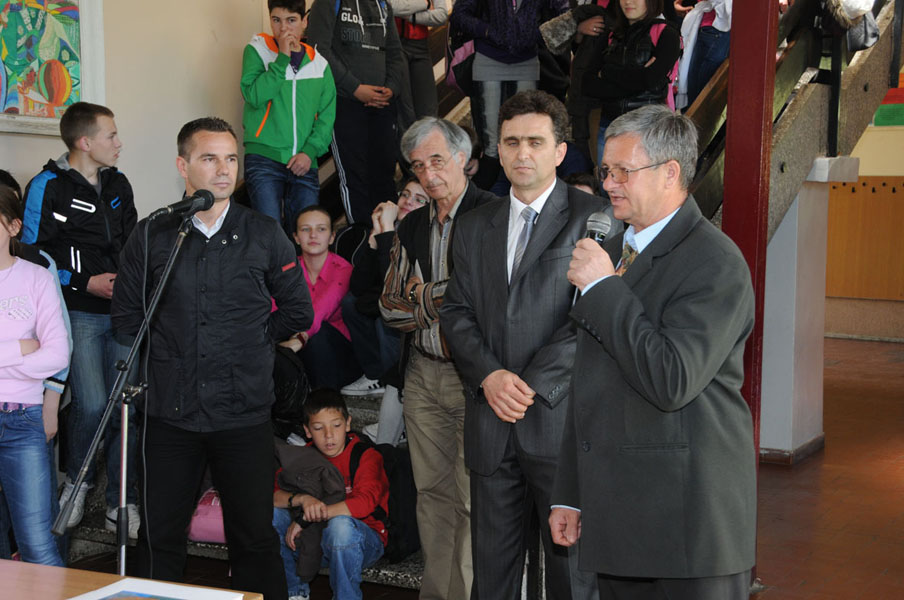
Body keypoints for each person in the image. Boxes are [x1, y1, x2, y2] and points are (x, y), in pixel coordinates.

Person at [549, 105, 757, 599]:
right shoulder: (614, 252)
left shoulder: (715, 261)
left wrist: (603, 290)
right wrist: (571, 493)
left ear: (670, 173)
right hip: (618, 513)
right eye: (606, 170)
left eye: (624, 171)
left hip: (685, 520)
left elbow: (672, 379)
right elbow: (589, 380)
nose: (609, 184)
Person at [111, 117, 313, 600]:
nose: (224, 170)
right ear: (183, 166)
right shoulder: (154, 233)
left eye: (231, 159)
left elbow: (298, 310)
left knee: (253, 537)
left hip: (242, 413)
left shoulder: (263, 232)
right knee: (158, 537)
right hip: (169, 414)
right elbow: (126, 317)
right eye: (209, 158)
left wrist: (254, 340)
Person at [440, 90, 605, 600]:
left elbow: (592, 318)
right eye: (511, 142)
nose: (522, 153)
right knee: (492, 580)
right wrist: (490, 376)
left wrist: (526, 385)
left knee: (572, 581)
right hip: (491, 423)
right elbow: (456, 312)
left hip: (560, 426)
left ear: (560, 151)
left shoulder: (594, 218)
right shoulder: (473, 225)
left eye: (535, 141)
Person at [379, 117, 497, 599]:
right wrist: (442, 299)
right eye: (417, 166)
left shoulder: (494, 214)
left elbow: (488, 297)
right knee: (431, 496)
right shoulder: (412, 225)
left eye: (436, 161)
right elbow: (389, 307)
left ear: (462, 159)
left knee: (472, 499)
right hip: (422, 375)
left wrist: (421, 295)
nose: (428, 175)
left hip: (475, 378)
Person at [21, 101, 140, 537]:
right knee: (91, 405)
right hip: (78, 312)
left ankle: (121, 502)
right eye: (111, 135)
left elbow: (133, 243)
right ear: (85, 142)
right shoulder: (46, 186)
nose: (118, 142)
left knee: (126, 408)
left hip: (125, 312)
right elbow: (32, 254)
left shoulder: (118, 183)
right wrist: (84, 282)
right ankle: (77, 483)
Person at [0, 185, 70, 566]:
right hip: (23, 404)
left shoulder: (36, 277)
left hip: (23, 420)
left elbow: (57, 353)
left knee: (37, 544)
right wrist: (23, 347)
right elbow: (41, 352)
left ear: (13, 227)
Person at [273, 389, 389, 600]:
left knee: (340, 526)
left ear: (348, 423)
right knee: (272, 515)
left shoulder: (365, 455)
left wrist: (306, 518)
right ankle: (294, 593)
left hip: (363, 541)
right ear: (307, 431)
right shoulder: (303, 457)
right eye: (319, 428)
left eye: (336, 426)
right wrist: (302, 499)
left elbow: (364, 503)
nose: (329, 435)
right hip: (314, 542)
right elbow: (272, 495)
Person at [342, 177, 428, 445]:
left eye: (419, 199)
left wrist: (387, 232)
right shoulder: (391, 230)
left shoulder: (423, 235)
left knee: (387, 317)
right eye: (406, 194)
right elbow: (358, 286)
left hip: (414, 316)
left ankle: (396, 393)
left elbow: (397, 291)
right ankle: (375, 375)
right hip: (387, 303)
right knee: (350, 303)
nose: (408, 202)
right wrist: (372, 243)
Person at [241, 0, 337, 237]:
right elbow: (254, 96)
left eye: (291, 20)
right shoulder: (257, 51)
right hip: (264, 159)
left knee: (306, 236)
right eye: (276, 20)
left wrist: (310, 152)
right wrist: (282, 59)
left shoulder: (319, 65)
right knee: (270, 235)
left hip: (305, 162)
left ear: (304, 22)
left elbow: (326, 117)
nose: (283, 29)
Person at [307, 0, 404, 225]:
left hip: (383, 104)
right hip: (345, 103)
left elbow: (396, 53)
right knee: (355, 179)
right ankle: (362, 239)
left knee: (385, 175)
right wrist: (355, 88)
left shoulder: (383, 4)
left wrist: (391, 88)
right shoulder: (327, 3)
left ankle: (387, 237)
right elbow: (318, 50)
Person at [450, 0, 568, 167]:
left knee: (524, 130)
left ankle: (520, 175)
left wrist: (537, 33)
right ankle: (492, 178)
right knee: (490, 136)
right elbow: (459, 14)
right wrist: (486, 30)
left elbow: (562, 13)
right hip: (488, 58)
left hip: (527, 60)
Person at [581, 0, 681, 163]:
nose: (628, 1)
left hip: (648, 130)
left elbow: (650, 79)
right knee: (609, 178)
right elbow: (587, 84)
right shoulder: (611, 35)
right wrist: (638, 78)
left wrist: (607, 72)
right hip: (610, 127)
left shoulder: (666, 34)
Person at [279, 206, 361, 390]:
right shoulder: (288, 270)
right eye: (305, 229)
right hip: (299, 348)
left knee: (319, 333)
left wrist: (300, 338)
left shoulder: (343, 270)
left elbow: (321, 309)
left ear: (332, 237)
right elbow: (272, 307)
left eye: (321, 229)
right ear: (296, 237)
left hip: (341, 356)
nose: (313, 235)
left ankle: (324, 400)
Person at [390, 0, 448, 132]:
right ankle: (408, 145)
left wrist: (410, 15)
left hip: (421, 46)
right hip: (395, 45)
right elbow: (392, 7)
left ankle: (429, 144)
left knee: (429, 112)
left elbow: (442, 15)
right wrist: (425, 4)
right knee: (405, 111)